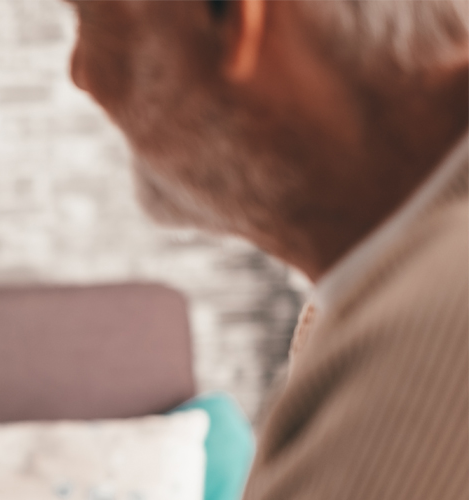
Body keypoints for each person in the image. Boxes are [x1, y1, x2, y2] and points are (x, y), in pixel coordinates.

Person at [66, 0, 467, 498]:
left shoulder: (433, 322)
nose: (80, 72)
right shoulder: (392, 274)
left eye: (92, 18)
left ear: (236, 19)